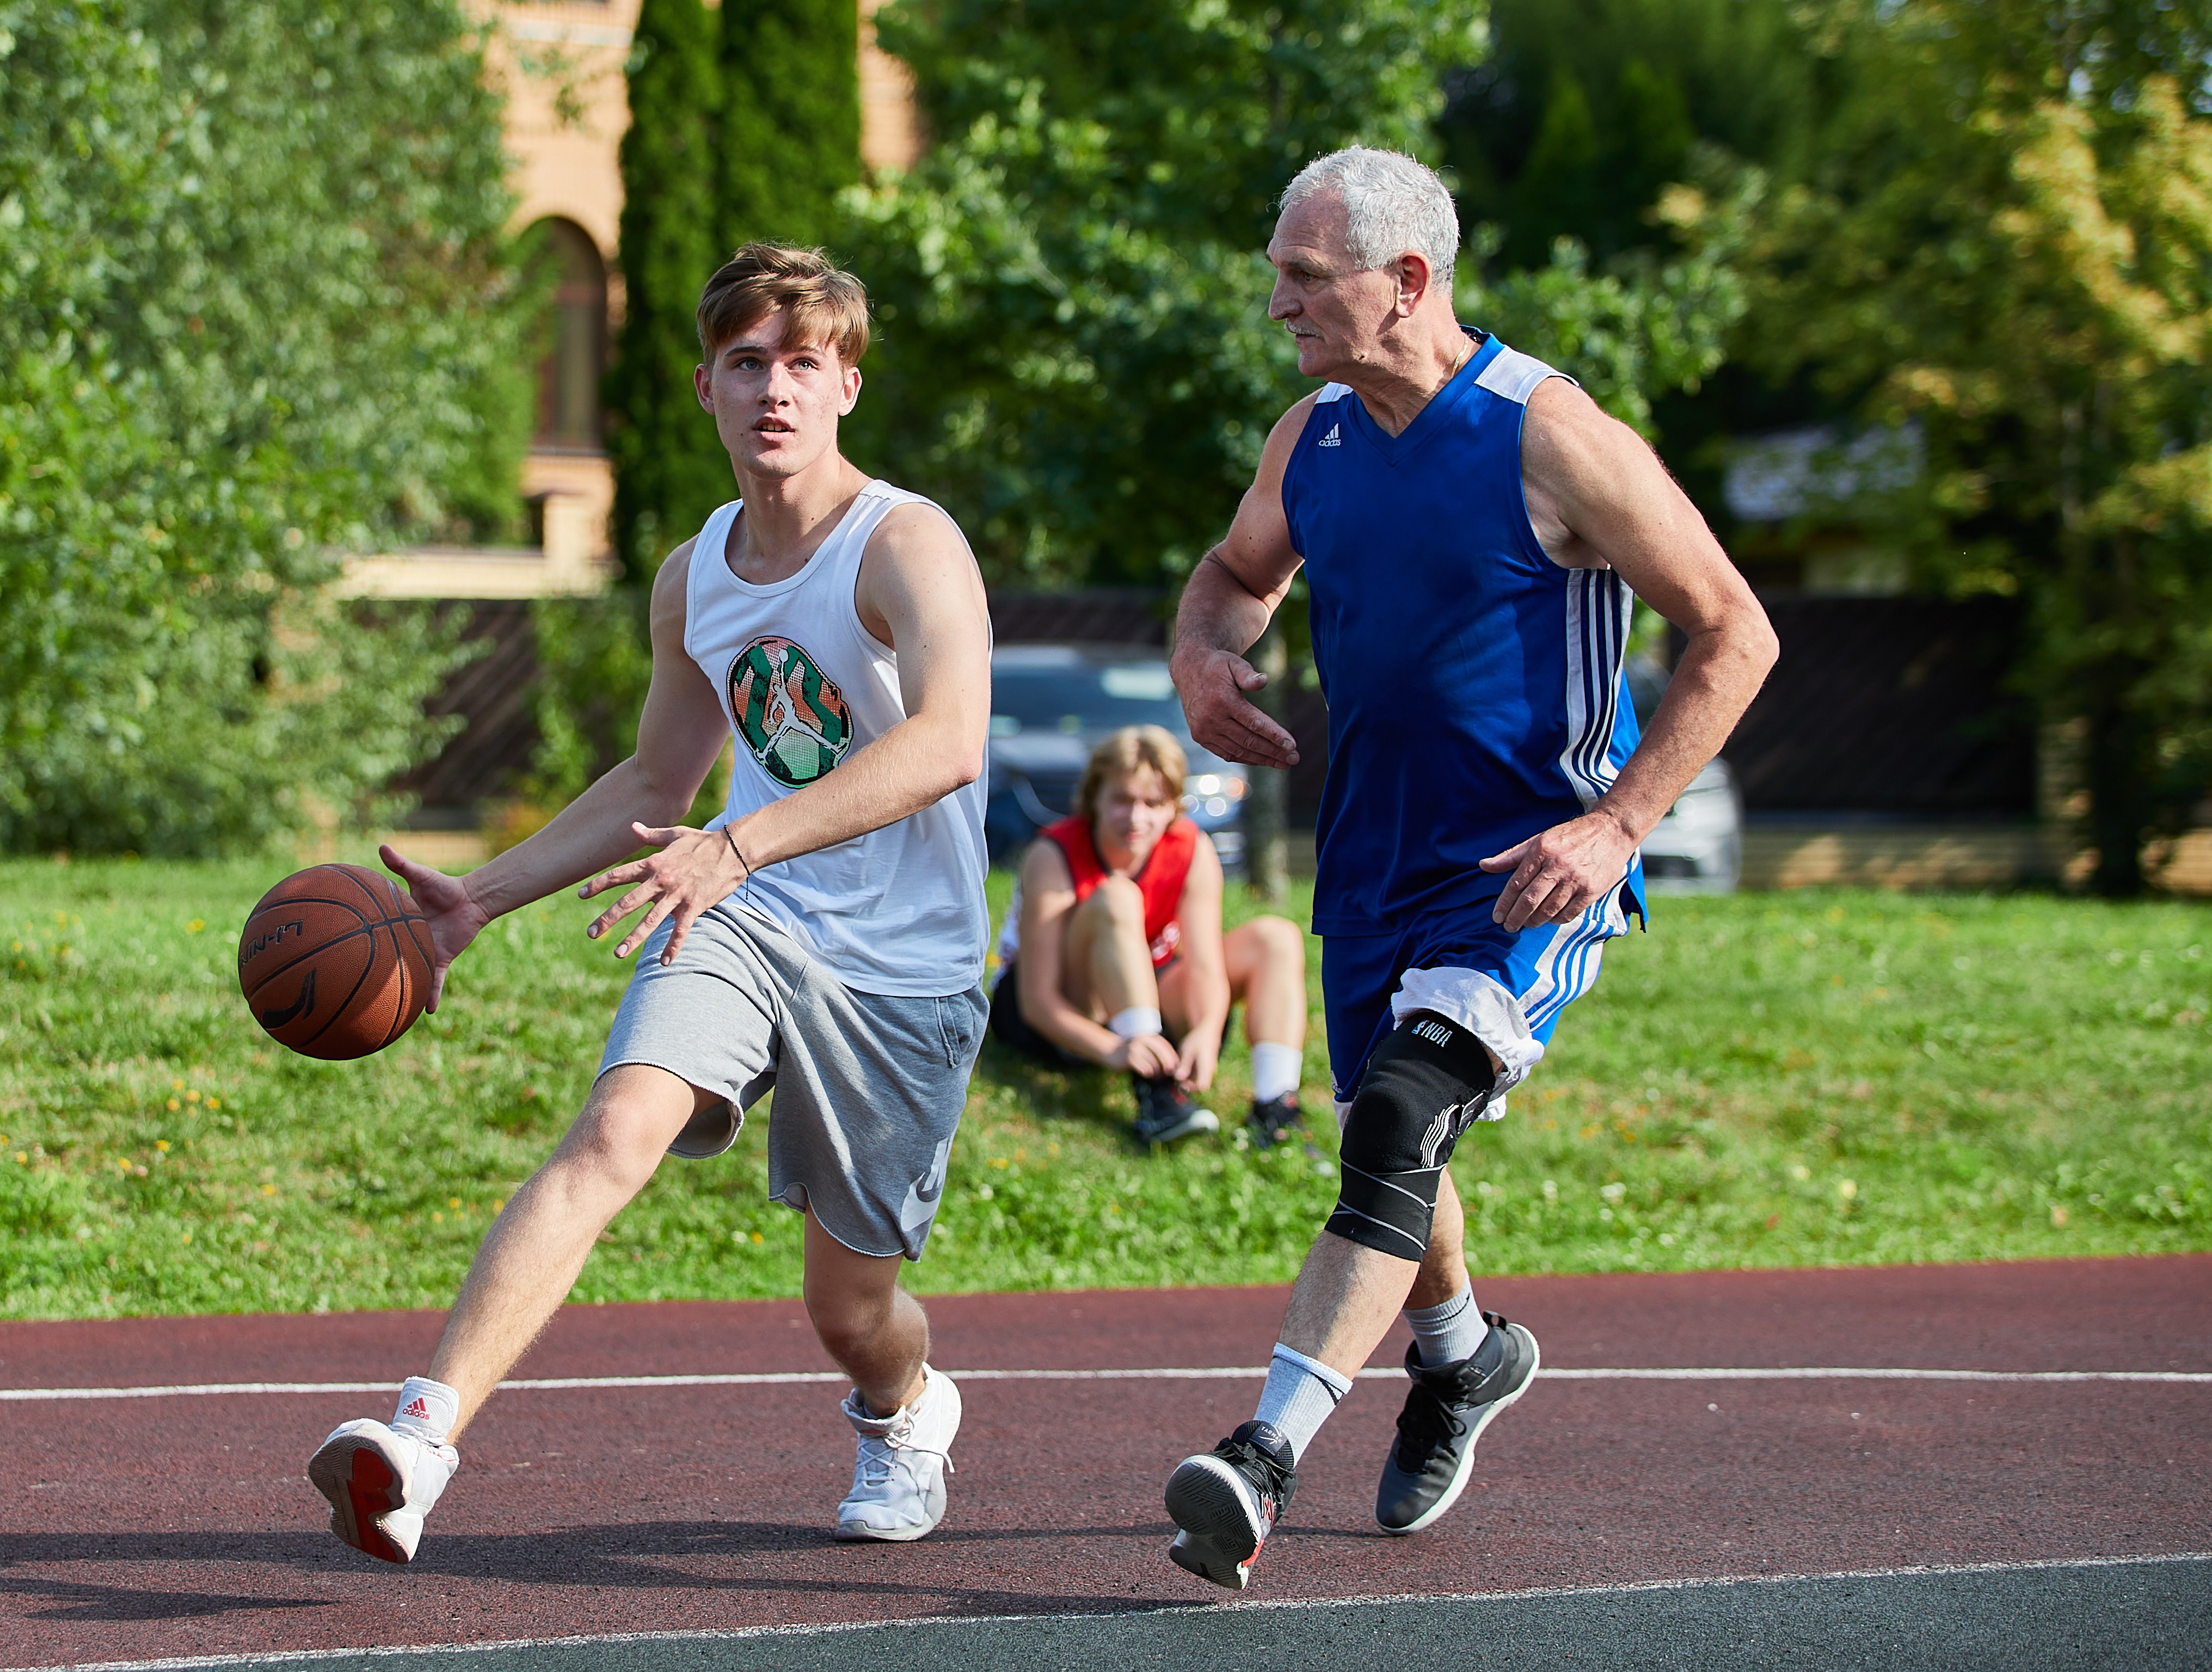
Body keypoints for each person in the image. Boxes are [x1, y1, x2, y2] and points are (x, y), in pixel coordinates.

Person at [304, 243, 996, 1562]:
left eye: (805, 363)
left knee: (852, 1312)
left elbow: (950, 741)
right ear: (705, 387)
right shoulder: (694, 577)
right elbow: (654, 779)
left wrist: (738, 841)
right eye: (748, 362)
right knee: (611, 1132)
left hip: (903, 962)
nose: (776, 389)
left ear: (847, 385)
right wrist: (478, 900)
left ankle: (905, 1406)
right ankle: (420, 1441)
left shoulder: (905, 542)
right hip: (749, 915)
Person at [1157, 148, 1777, 1590]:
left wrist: (1618, 826)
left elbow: (1735, 629)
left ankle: (1262, 1455)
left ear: (1408, 280)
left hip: (1523, 876)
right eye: (1277, 273)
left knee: (1399, 1116)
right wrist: (1201, 658)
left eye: (1304, 277)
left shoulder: (1550, 434)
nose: (1277, 304)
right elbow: (1236, 577)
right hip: (1367, 867)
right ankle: (1462, 1352)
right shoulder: (1310, 437)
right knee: (1389, 1135)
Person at [987, 724, 1310, 1150]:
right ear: (1095, 797)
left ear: (1174, 805)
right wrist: (1111, 1050)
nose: (1136, 818)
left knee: (1276, 936)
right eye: (1122, 800)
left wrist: (1207, 1030)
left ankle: (1276, 1108)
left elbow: (1205, 966)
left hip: (1145, 993)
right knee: (1119, 897)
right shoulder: (1053, 853)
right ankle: (1154, 1085)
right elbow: (1037, 1002)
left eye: (1153, 803)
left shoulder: (1190, 847)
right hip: (1059, 1012)